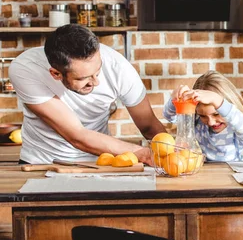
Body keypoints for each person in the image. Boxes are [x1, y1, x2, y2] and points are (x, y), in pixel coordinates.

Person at [8, 24, 166, 165]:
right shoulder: (25, 69)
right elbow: (77, 135)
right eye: (83, 78)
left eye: (98, 72)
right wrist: (143, 154)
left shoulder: (119, 67)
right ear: (56, 74)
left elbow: (149, 126)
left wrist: (173, 154)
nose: (96, 82)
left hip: (102, 162)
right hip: (40, 162)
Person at [163, 70, 243, 162]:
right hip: (204, 175)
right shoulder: (197, 122)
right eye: (203, 116)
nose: (211, 122)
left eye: (216, 114)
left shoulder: (235, 125)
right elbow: (170, 117)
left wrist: (217, 100)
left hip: (231, 175)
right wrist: (175, 99)